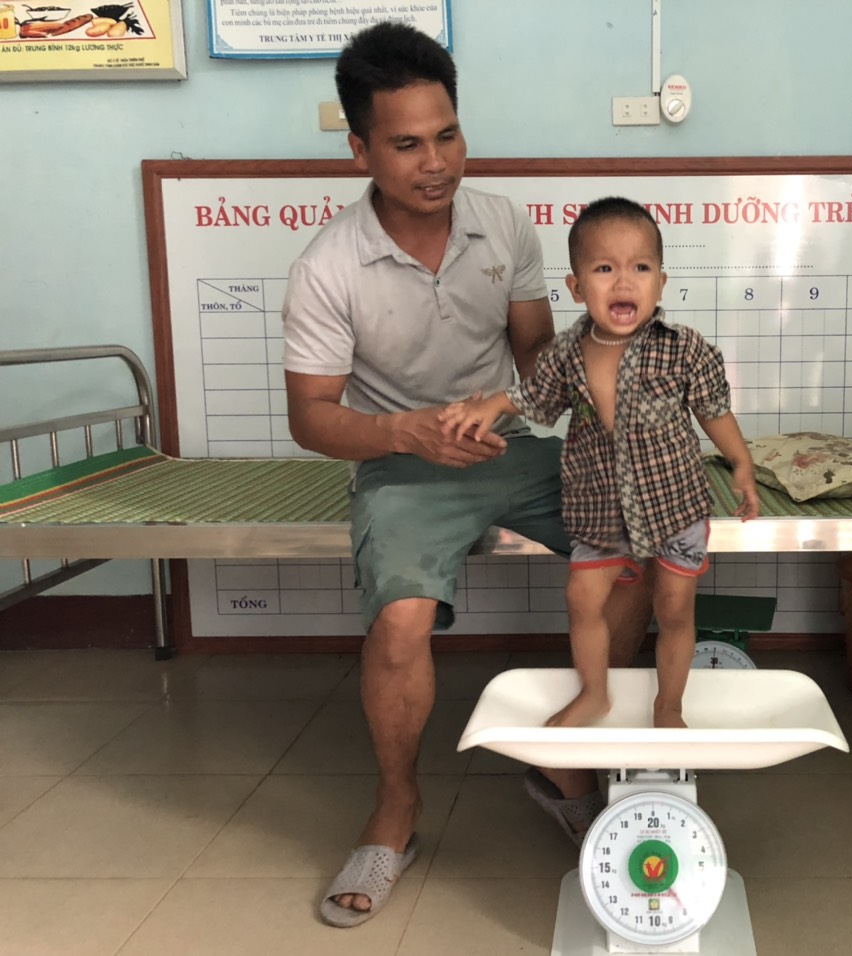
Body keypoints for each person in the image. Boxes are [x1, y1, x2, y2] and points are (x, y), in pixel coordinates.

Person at [281, 23, 652, 928]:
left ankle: (568, 758)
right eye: (407, 144)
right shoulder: (327, 266)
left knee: (641, 543)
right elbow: (311, 417)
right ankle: (396, 807)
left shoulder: (504, 225)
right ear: (360, 150)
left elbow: (541, 366)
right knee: (401, 620)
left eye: (447, 135)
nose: (436, 162)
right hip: (401, 465)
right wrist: (402, 431)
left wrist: (550, 409)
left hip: (509, 449)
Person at [441, 197, 760, 729]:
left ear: (661, 282)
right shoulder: (566, 353)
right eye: (604, 269)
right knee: (582, 598)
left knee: (674, 608)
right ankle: (595, 694)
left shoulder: (683, 349)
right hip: (600, 512)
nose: (623, 282)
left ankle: (669, 705)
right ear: (576, 286)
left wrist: (741, 465)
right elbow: (534, 398)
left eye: (641, 268)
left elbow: (714, 411)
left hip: (675, 507)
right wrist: (492, 404)